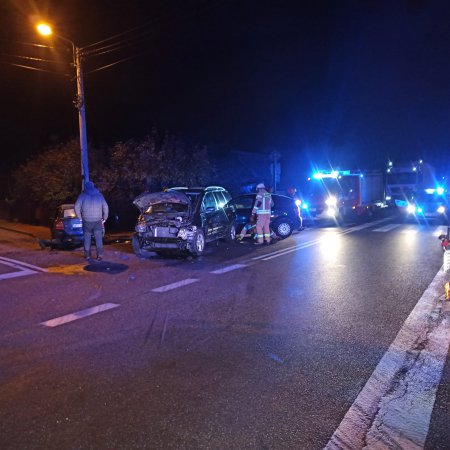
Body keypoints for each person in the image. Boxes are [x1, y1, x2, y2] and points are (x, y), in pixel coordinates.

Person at [75, 181, 109, 261]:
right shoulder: (99, 195)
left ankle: (87, 255)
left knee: (87, 238)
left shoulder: (82, 195)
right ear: (93, 186)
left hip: (86, 221)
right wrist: (105, 218)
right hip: (97, 221)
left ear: (86, 187)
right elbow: (106, 207)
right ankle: (99, 255)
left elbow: (76, 206)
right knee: (98, 238)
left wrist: (80, 217)